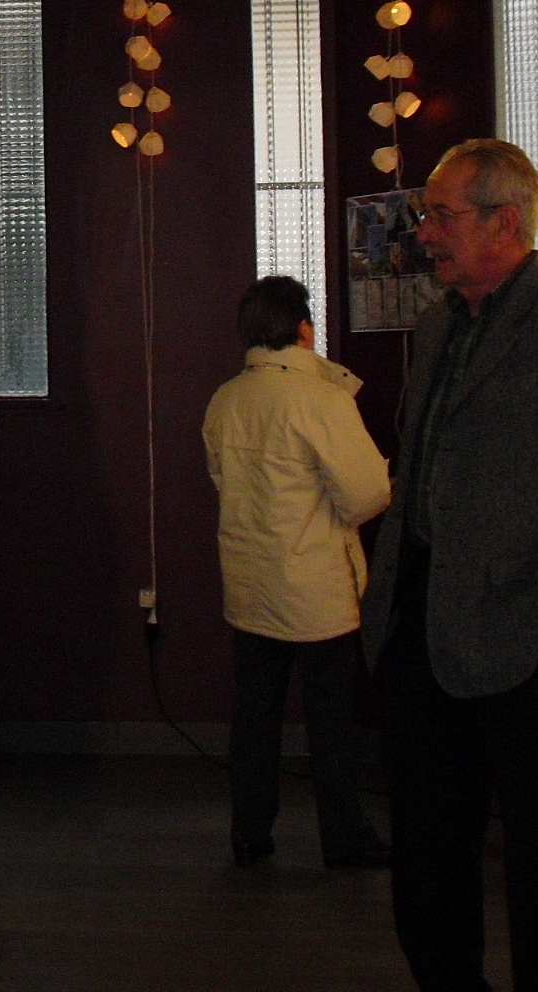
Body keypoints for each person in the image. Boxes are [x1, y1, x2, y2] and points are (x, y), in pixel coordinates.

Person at [360, 139, 538, 992]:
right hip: (419, 627)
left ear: (505, 221)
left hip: (523, 637)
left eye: (441, 216)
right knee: (426, 848)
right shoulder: (439, 322)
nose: (425, 233)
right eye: (426, 216)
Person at [203, 276, 390, 869]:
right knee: (331, 722)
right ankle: (344, 839)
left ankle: (249, 832)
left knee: (255, 716)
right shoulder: (322, 400)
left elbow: (222, 480)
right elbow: (367, 494)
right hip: (316, 589)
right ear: (303, 327)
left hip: (250, 583)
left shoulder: (226, 400)